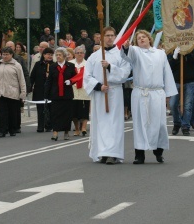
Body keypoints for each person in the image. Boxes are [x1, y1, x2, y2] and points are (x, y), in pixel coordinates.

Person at [121, 30, 177, 164]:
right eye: (138, 38)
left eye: (143, 37)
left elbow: (166, 72)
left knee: (159, 123)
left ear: (149, 39)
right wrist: (126, 46)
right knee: (140, 123)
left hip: (157, 93)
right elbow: (126, 55)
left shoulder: (160, 53)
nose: (141, 39)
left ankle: (158, 152)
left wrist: (168, 93)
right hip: (140, 93)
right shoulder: (135, 51)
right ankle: (139, 155)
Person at [84, 27, 131, 164]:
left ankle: (113, 153)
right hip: (100, 94)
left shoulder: (121, 55)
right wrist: (99, 86)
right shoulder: (94, 56)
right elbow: (87, 76)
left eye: (112, 35)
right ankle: (102, 152)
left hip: (114, 92)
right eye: (107, 35)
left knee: (114, 123)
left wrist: (110, 67)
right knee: (101, 123)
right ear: (102, 37)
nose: (110, 38)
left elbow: (125, 73)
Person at [0, 47, 27, 137]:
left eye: (7, 54)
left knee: (12, 112)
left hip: (12, 92)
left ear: (11, 55)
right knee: (1, 113)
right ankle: (2, 130)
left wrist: (23, 94)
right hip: (0, 92)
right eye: (3, 54)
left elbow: (22, 80)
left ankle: (12, 129)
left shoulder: (16, 65)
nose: (5, 56)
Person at [168, 47, 194, 136]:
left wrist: (188, 53)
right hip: (176, 81)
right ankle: (177, 123)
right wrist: (174, 56)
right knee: (173, 104)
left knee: (187, 105)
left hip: (189, 81)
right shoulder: (171, 49)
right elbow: (168, 66)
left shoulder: (192, 48)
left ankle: (185, 126)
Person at [44, 47, 76, 141]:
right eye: (56, 55)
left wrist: (70, 81)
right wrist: (46, 95)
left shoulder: (70, 66)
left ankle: (66, 132)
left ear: (64, 56)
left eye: (60, 55)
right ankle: (55, 132)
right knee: (55, 114)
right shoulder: (53, 66)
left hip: (67, 94)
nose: (58, 56)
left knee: (67, 115)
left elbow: (75, 78)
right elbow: (49, 81)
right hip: (55, 94)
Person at [29, 47, 54, 132]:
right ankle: (40, 126)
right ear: (44, 55)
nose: (50, 56)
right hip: (39, 90)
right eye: (48, 54)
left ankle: (49, 125)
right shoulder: (38, 65)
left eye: (51, 55)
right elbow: (32, 77)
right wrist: (30, 87)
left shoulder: (54, 65)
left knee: (50, 108)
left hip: (50, 91)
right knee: (40, 109)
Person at [71, 46, 90, 137]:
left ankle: (83, 128)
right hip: (73, 90)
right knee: (74, 110)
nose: (79, 54)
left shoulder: (88, 64)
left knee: (85, 109)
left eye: (81, 53)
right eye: (77, 52)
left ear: (84, 54)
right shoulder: (70, 63)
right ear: (74, 54)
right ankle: (77, 128)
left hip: (84, 89)